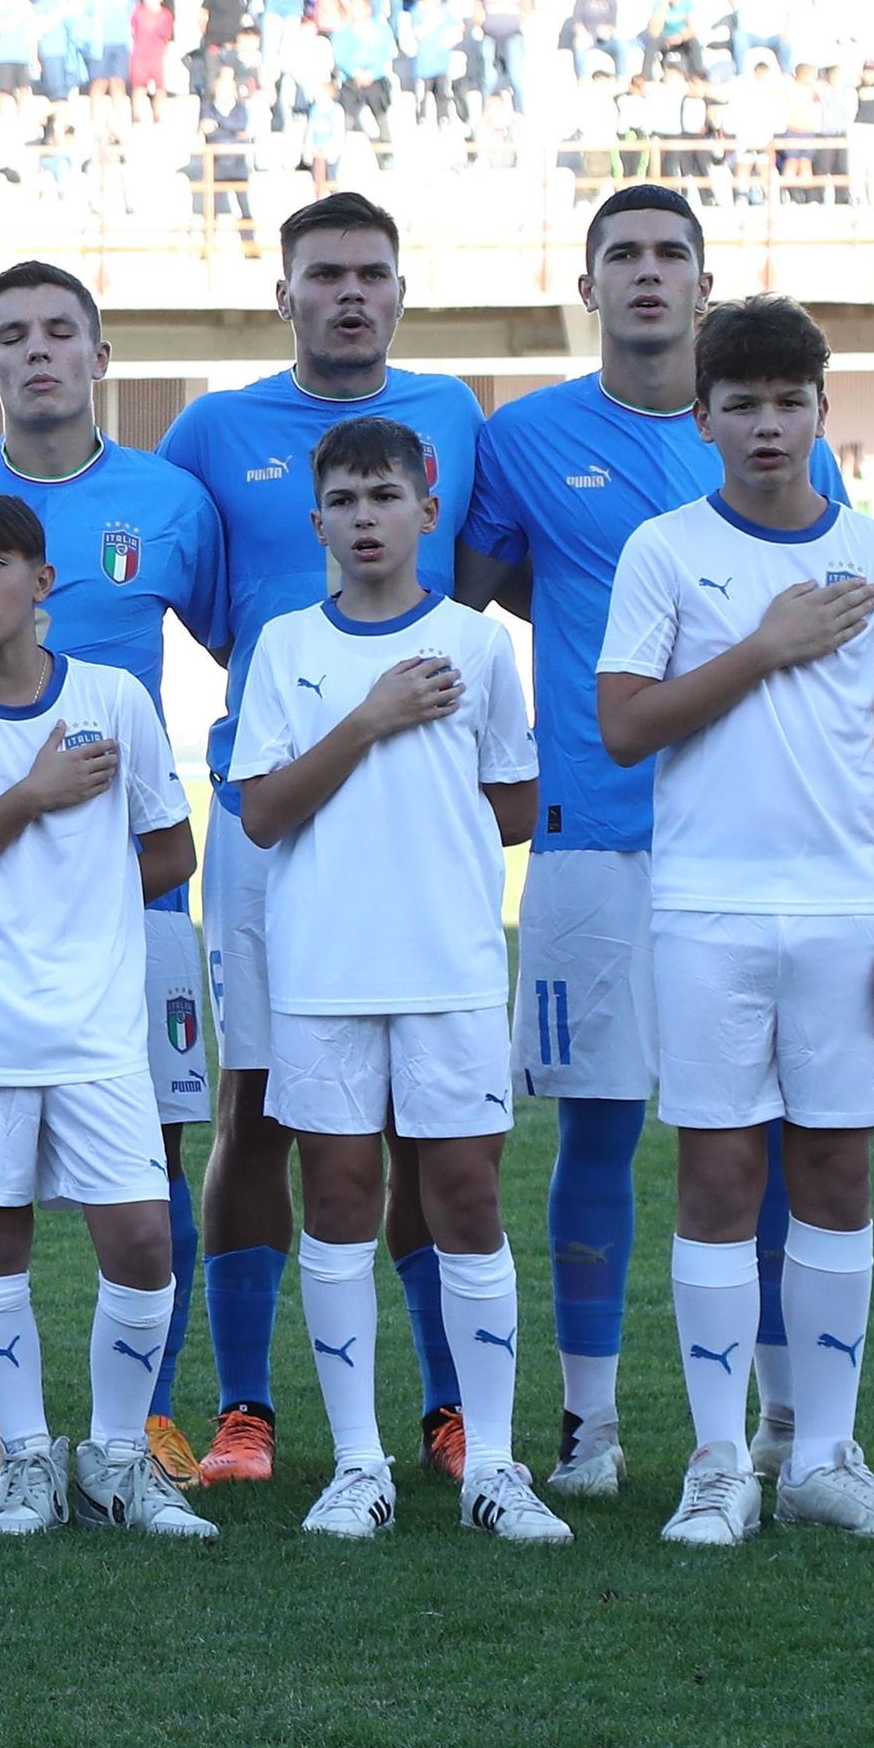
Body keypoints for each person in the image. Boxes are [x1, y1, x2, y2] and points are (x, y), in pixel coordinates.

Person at [455, 185, 829, 1501]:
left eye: (670, 253)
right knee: (597, 1134)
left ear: (703, 282)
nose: (647, 274)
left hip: (749, 844)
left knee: (770, 1135)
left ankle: (787, 1431)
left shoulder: (773, 439)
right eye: (621, 254)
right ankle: (589, 1430)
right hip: (589, 836)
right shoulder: (523, 439)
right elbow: (481, 580)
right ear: (587, 283)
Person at [157, 191, 484, 1490]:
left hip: (414, 822)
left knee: (420, 1119)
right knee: (256, 1098)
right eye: (322, 275)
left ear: (397, 291)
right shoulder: (209, 429)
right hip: (271, 816)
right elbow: (177, 587)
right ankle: (247, 1412)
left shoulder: (453, 412)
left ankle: (448, 1412)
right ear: (281, 291)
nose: (347, 294)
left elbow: (487, 570)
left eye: (368, 274)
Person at [0, 263, 224, 1492]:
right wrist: (22, 806)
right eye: (9, 338)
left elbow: (163, 831)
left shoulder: (170, 503)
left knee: (147, 1197)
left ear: (98, 353)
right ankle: (9, 1434)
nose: (35, 353)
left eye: (57, 333)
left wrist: (86, 874)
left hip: (112, 959)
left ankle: (131, 1433)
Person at [596, 297, 874, 1546]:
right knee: (718, 1174)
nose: (768, 423)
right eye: (744, 402)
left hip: (845, 908)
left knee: (836, 1169)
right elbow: (624, 724)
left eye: (790, 401)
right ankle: (720, 1463)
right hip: (706, 908)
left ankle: (823, 1454)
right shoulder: (665, 551)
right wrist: (766, 643)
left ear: (821, 411)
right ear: (705, 415)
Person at [231, 419, 562, 1543]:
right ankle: (357, 1462)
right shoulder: (282, 645)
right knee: (335, 1201)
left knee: (464, 1198)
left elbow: (514, 802)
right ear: (315, 517)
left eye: (384, 493)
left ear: (427, 508)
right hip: (322, 971)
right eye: (342, 497)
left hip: (450, 966)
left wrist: (424, 831)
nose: (363, 514)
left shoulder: (476, 643)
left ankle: (496, 1463)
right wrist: (369, 719)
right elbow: (264, 811)